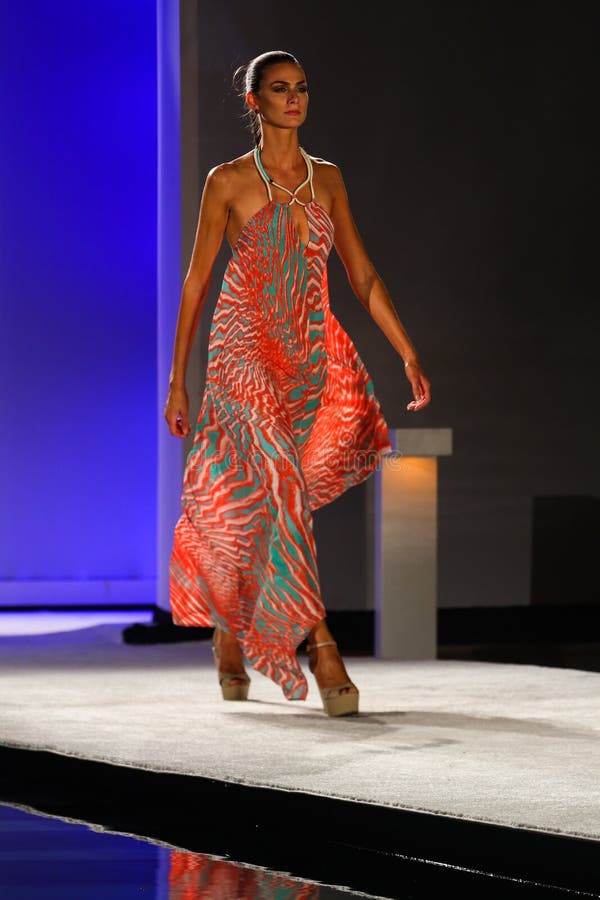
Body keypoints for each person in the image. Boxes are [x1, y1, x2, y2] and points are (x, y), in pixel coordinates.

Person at [164, 50, 431, 717]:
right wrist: (177, 380)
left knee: (280, 498)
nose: (294, 99)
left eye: (301, 88)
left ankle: (229, 628)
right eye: (279, 90)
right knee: (278, 484)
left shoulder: (328, 180)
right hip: (241, 352)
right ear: (253, 101)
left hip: (307, 355)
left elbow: (361, 276)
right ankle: (322, 645)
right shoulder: (226, 181)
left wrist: (405, 350)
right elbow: (196, 283)